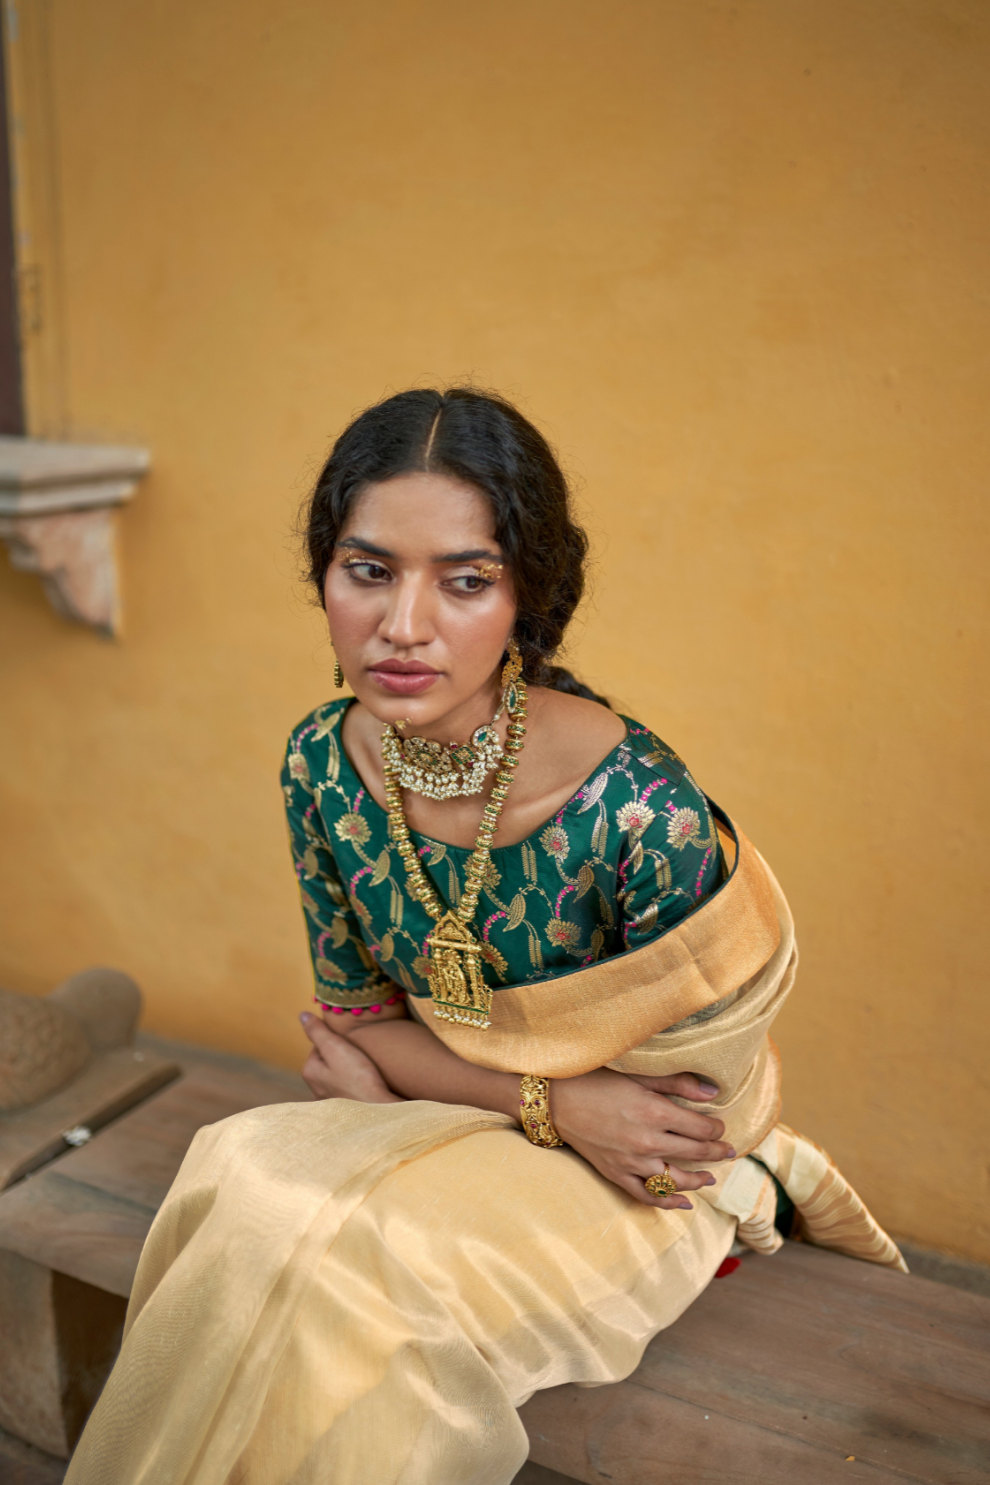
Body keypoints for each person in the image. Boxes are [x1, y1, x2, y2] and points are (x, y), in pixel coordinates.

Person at [66, 388, 905, 1485]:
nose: (403, 624)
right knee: (242, 1170)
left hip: (641, 1186)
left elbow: (670, 1130)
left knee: (345, 1264)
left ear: (528, 600)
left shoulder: (642, 815)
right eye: (369, 570)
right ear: (323, 575)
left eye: (465, 581)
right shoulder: (323, 764)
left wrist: (414, 1098)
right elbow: (356, 1026)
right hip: (492, 1125)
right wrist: (539, 1099)